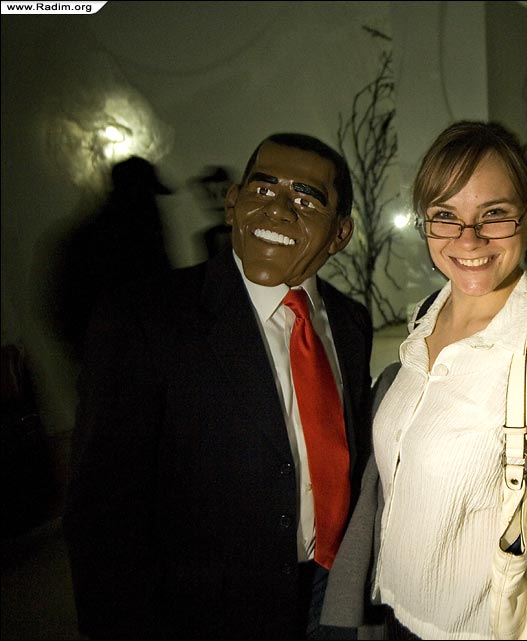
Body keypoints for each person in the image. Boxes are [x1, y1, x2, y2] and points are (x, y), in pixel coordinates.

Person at [62, 133, 373, 639]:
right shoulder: (145, 319)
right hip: (210, 611)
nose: (277, 210)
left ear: (340, 234)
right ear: (232, 204)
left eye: (305, 199)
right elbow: (104, 512)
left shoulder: (350, 322)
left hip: (329, 591)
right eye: (263, 189)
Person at [370, 121, 527, 639]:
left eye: (494, 214)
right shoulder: (424, 320)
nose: (469, 238)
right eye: (446, 216)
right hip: (398, 616)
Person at [55, 155, 173, 357]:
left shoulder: (87, 237)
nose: (154, 204)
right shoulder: (138, 239)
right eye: (148, 194)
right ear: (134, 193)